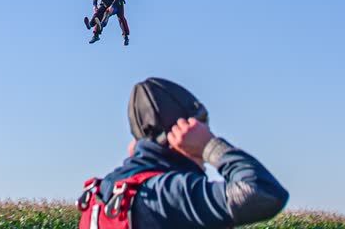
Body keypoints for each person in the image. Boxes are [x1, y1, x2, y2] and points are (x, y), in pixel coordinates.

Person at [76, 77, 288, 229]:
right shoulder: (169, 193)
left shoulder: (101, 193)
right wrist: (209, 146)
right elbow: (263, 193)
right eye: (202, 128)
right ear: (183, 134)